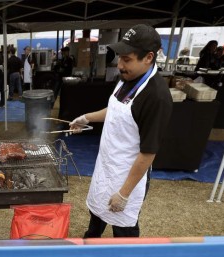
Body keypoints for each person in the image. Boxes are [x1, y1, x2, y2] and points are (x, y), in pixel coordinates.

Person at [69, 24, 172, 238]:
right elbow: (117, 110)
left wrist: (124, 193)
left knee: (123, 231)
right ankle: (91, 243)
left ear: (148, 57)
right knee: (96, 216)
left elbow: (148, 152)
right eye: (120, 58)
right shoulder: (126, 78)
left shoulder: (157, 96)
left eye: (127, 59)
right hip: (107, 165)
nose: (120, 65)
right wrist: (87, 118)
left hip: (127, 175)